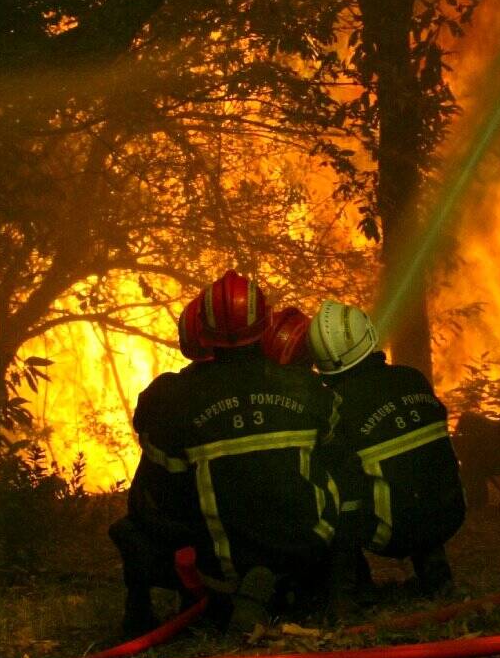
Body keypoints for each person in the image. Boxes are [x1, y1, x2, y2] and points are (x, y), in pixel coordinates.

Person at [109, 271, 345, 637]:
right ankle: (335, 591)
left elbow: (160, 492)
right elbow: (337, 453)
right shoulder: (305, 387)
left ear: (202, 333)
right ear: (265, 324)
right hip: (308, 546)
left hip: (221, 564)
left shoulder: (176, 400)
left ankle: (144, 618)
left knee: (131, 529)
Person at [309, 300, 466, 597]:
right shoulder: (412, 378)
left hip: (387, 532)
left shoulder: (335, 404)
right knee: (411, 468)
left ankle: (349, 585)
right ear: (368, 335)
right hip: (449, 512)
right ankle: (434, 567)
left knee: (329, 483)